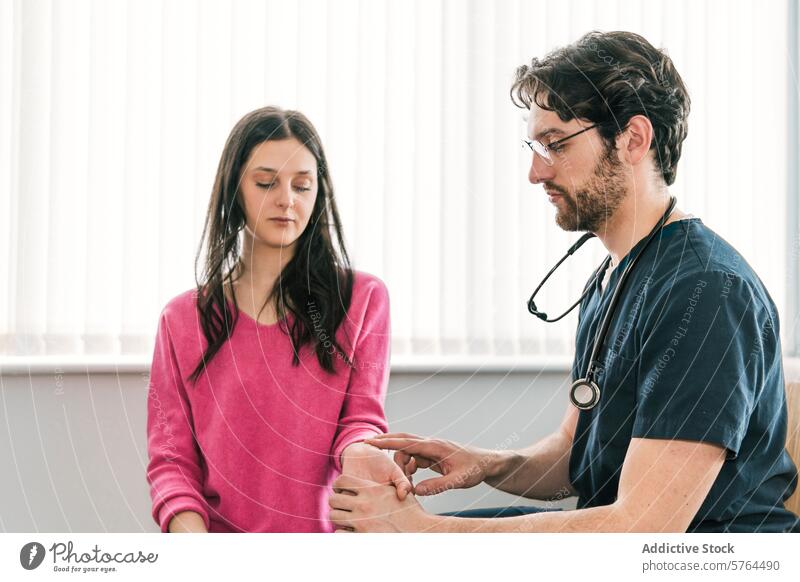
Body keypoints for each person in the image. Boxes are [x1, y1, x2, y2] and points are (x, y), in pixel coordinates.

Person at [328, 31, 800, 533]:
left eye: (554, 145)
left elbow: (644, 527)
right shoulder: (614, 276)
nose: (535, 172)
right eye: (536, 146)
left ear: (633, 140)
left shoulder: (706, 292)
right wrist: (486, 462)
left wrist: (425, 533)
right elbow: (577, 457)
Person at [146, 106, 411, 533]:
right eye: (267, 182)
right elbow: (172, 462)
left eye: (303, 185)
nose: (287, 199)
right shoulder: (181, 320)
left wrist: (363, 453)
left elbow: (360, 421)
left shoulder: (362, 300)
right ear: (235, 189)